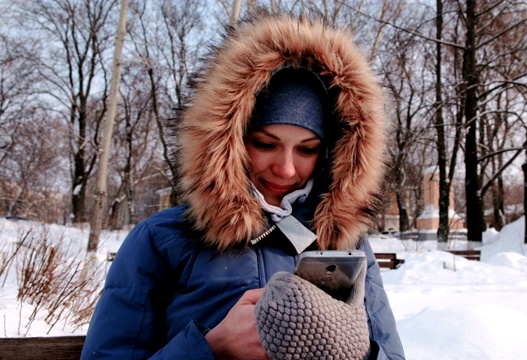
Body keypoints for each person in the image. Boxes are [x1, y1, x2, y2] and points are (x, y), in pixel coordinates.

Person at [81, 9, 404, 360]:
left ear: (329, 155)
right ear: (231, 141)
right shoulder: (161, 239)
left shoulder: (346, 243)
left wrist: (357, 350)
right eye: (266, 144)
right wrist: (212, 347)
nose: (285, 169)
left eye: (307, 150)